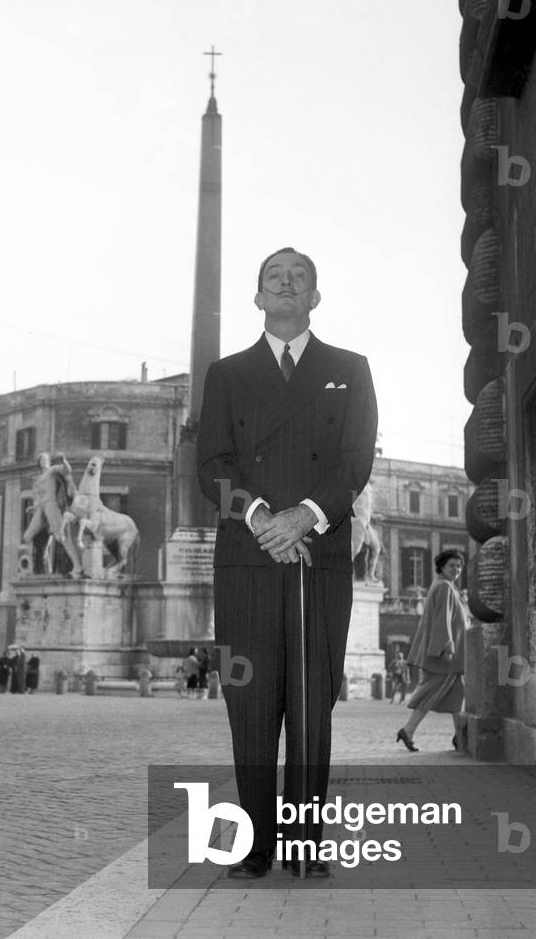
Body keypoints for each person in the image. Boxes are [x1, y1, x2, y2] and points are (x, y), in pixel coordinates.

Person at [198, 247, 378, 879]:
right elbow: (213, 465)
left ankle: (305, 844)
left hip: (317, 555)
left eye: (298, 277)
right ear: (257, 298)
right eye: (274, 277)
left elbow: (355, 459)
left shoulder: (349, 370)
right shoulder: (225, 374)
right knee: (249, 705)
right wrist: (263, 521)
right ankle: (255, 845)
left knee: (310, 702)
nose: (285, 284)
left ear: (314, 297)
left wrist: (304, 515)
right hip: (248, 559)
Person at [395, 550, 468, 752]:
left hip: (448, 655)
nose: (456, 570)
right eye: (452, 565)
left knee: (456, 695)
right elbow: (441, 620)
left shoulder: (443, 585)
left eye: (459, 566)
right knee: (430, 693)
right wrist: (447, 647)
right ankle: (408, 730)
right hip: (446, 656)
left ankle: (459, 737)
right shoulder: (444, 587)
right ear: (442, 566)